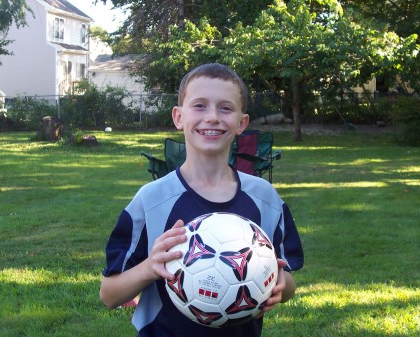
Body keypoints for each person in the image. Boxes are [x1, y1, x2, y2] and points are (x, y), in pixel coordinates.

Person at [100, 63, 304, 337]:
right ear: (178, 117)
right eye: (199, 106)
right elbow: (109, 295)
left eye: (225, 108)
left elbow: (287, 279)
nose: (212, 117)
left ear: (242, 123)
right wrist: (150, 267)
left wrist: (280, 285)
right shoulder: (151, 201)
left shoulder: (265, 198)